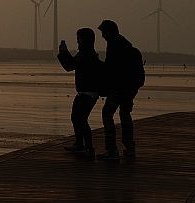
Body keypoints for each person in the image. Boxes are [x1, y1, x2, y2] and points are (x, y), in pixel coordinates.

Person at [57, 27, 104, 158]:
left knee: (82, 119)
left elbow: (74, 65)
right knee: (75, 117)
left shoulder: (89, 55)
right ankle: (79, 144)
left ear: (86, 39)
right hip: (83, 91)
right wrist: (63, 54)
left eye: (79, 38)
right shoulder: (83, 53)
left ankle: (89, 148)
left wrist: (65, 53)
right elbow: (70, 66)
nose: (77, 41)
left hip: (89, 92)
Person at [96, 19, 139, 160]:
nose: (102, 35)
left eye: (103, 32)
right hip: (131, 87)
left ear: (109, 31)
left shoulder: (113, 44)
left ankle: (112, 150)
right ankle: (130, 146)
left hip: (119, 85)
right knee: (125, 114)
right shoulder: (126, 44)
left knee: (107, 113)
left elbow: (110, 67)